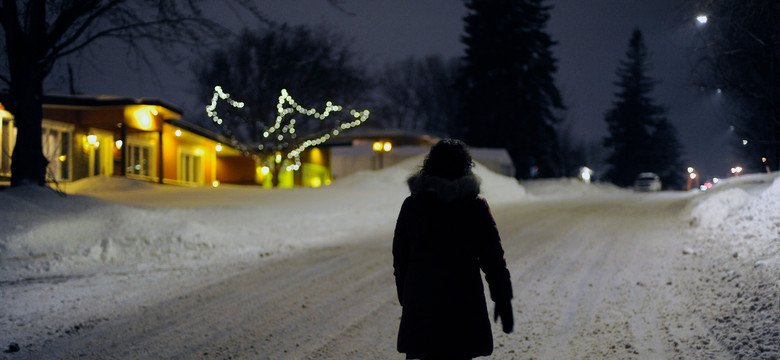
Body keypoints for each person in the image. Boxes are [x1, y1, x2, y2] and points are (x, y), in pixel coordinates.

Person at [393, 139, 514, 360]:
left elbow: (401, 258)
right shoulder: (474, 207)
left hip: (422, 305)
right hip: (463, 305)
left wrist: (406, 295)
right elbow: (493, 258)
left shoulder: (413, 205)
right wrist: (502, 297)